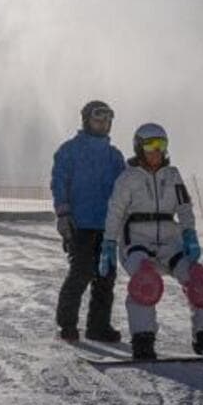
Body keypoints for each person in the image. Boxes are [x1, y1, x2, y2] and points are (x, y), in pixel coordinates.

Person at [98, 123, 203, 361]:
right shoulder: (127, 178)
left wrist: (189, 234)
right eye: (150, 145)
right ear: (139, 147)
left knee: (200, 282)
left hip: (171, 241)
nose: (156, 151)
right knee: (144, 283)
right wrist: (108, 243)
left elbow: (185, 207)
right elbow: (115, 212)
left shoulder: (173, 175)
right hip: (136, 241)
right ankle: (143, 339)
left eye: (161, 145)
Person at [51, 100, 127, 342]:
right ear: (86, 120)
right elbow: (59, 182)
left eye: (107, 120)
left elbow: (124, 189)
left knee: (106, 277)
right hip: (80, 224)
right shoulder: (69, 151)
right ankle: (67, 323)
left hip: (107, 226)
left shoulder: (114, 156)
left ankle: (98, 326)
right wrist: (63, 214)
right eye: (98, 119)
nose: (103, 124)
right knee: (81, 273)